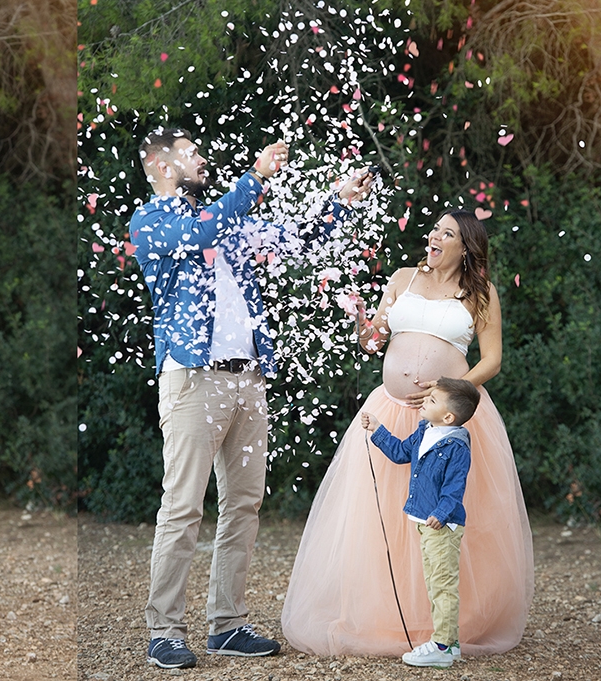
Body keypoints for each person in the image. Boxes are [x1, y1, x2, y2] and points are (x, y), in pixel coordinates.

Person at [129, 127, 374, 669]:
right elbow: (206, 229)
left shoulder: (228, 221)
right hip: (194, 378)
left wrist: (339, 201)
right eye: (191, 154)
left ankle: (227, 624)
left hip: (248, 378)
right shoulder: (152, 222)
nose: (202, 159)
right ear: (162, 167)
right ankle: (164, 630)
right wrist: (256, 177)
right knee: (183, 505)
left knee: (243, 503)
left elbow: (297, 237)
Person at [281, 209, 534, 657]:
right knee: (380, 517)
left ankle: (447, 624)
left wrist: (454, 389)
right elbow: (374, 339)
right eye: (435, 228)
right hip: (389, 410)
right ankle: (384, 615)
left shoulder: (479, 292)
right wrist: (363, 325)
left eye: (447, 232)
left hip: (447, 417)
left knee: (443, 516)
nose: (434, 236)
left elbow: (492, 359)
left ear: (465, 248)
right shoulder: (401, 278)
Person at [361, 377, 480, 668]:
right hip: (425, 522)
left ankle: (441, 646)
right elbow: (402, 452)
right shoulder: (426, 430)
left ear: (449, 416)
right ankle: (449, 644)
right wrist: (378, 429)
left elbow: (455, 488)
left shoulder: (456, 447)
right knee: (435, 582)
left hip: (441, 526)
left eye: (433, 400)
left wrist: (440, 514)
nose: (425, 401)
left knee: (442, 584)